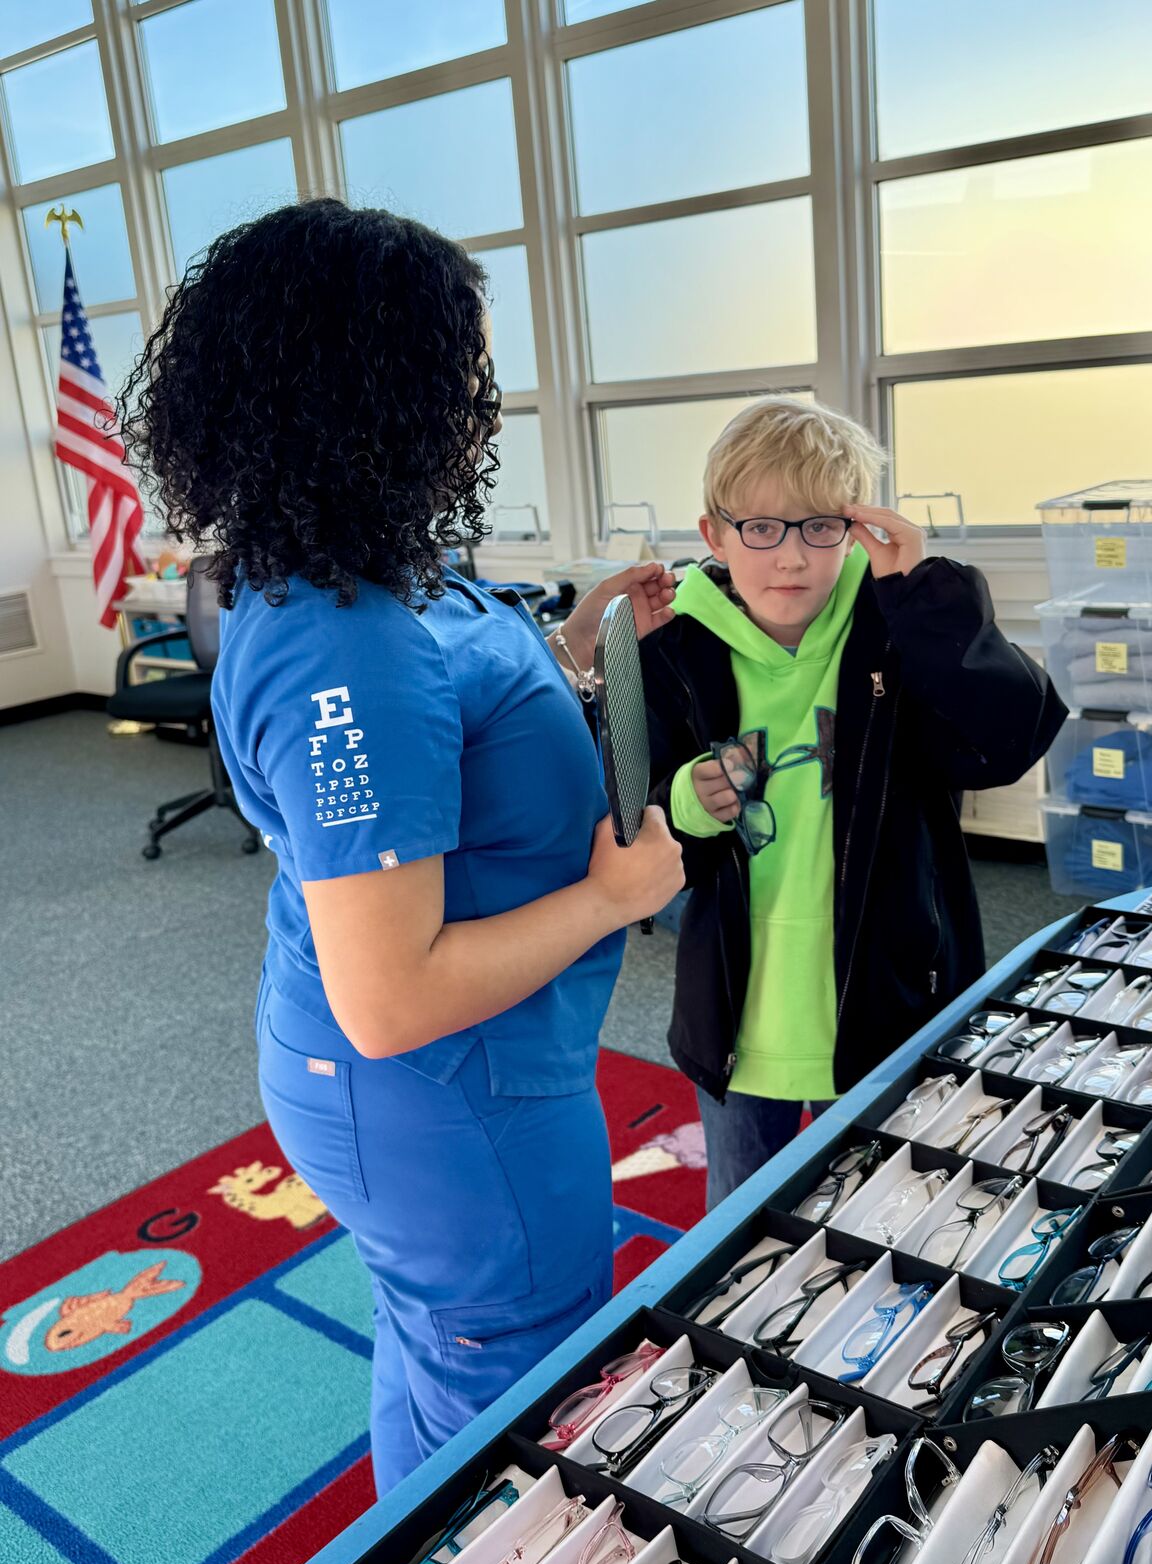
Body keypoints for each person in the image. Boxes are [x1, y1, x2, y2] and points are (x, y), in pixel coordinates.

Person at [117, 197, 683, 1494]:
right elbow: (393, 996)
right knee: (511, 1409)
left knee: (440, 1352)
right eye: (461, 372)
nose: (480, 404)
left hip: (446, 1081)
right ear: (369, 385)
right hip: (441, 1095)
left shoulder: (368, 564)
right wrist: (613, 895)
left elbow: (441, 730)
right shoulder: (343, 634)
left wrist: (572, 647)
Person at [639, 397, 1067, 1209]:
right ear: (715, 535)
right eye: (761, 527)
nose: (790, 556)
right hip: (738, 1031)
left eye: (819, 526)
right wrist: (688, 806)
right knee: (739, 1241)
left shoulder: (895, 627)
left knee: (894, 1226)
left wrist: (927, 593)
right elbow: (638, 832)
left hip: (889, 1013)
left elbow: (1011, 740)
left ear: (855, 527)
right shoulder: (673, 648)